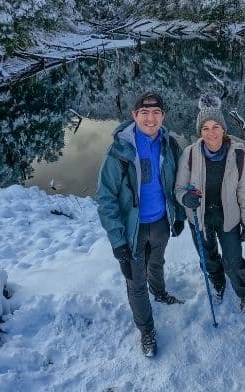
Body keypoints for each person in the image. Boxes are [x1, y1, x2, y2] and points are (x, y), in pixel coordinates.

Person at [95, 91, 186, 358]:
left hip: (160, 223)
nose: (150, 118)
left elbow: (177, 182)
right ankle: (146, 330)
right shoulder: (120, 150)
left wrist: (178, 214)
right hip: (132, 230)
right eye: (144, 113)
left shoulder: (169, 145)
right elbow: (105, 197)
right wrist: (117, 241)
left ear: (163, 116)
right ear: (134, 116)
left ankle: (159, 292)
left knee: (156, 263)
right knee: (135, 281)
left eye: (156, 112)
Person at [176, 94, 245, 314]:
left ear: (224, 128)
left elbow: (244, 191)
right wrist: (185, 199)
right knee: (208, 257)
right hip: (199, 218)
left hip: (228, 217)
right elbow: (179, 189)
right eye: (205, 128)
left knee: (234, 259)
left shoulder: (237, 154)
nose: (211, 133)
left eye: (216, 127)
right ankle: (218, 284)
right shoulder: (190, 154)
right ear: (200, 132)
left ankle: (243, 293)